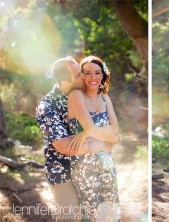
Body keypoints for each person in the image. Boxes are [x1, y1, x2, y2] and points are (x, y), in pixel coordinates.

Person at [35, 56, 119, 221]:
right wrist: (102, 144)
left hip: (89, 161)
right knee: (72, 216)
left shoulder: (85, 94)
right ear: (65, 83)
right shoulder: (47, 107)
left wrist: (94, 134)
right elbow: (65, 146)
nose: (85, 77)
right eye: (80, 74)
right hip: (62, 167)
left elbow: (108, 127)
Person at [67, 55, 120, 222]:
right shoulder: (76, 96)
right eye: (88, 73)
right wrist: (104, 138)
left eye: (98, 73)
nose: (93, 78)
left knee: (110, 211)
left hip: (107, 163)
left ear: (103, 75)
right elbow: (105, 132)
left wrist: (86, 133)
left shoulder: (105, 98)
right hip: (84, 165)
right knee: (91, 214)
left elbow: (116, 129)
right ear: (82, 75)